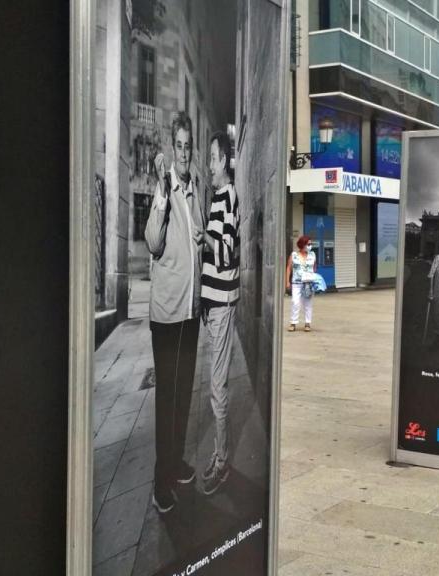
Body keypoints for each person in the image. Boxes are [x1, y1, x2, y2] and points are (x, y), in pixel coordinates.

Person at [145, 112, 205, 514]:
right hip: (166, 315)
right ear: (171, 147)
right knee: (167, 398)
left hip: (189, 312)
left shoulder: (193, 189)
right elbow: (152, 241)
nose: (183, 152)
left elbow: (198, 232)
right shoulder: (165, 188)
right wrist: (163, 196)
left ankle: (177, 460)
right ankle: (160, 480)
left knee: (183, 394)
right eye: (178, 145)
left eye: (188, 146)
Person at [199, 131, 238, 495]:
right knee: (216, 384)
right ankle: (219, 455)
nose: (209, 164)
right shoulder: (217, 198)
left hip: (223, 304)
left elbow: (226, 252)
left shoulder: (227, 197)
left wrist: (203, 236)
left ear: (224, 161)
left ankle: (222, 462)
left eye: (212, 157)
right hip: (214, 304)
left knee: (217, 385)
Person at [285, 235, 317, 332]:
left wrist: (314, 278)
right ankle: (293, 322)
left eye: (311, 244)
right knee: (295, 302)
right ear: (302, 244)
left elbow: (315, 267)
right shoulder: (294, 255)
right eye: (308, 244)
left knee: (308, 303)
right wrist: (287, 281)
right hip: (296, 283)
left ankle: (307, 323)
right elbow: (289, 268)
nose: (310, 246)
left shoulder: (312, 255)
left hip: (308, 283)